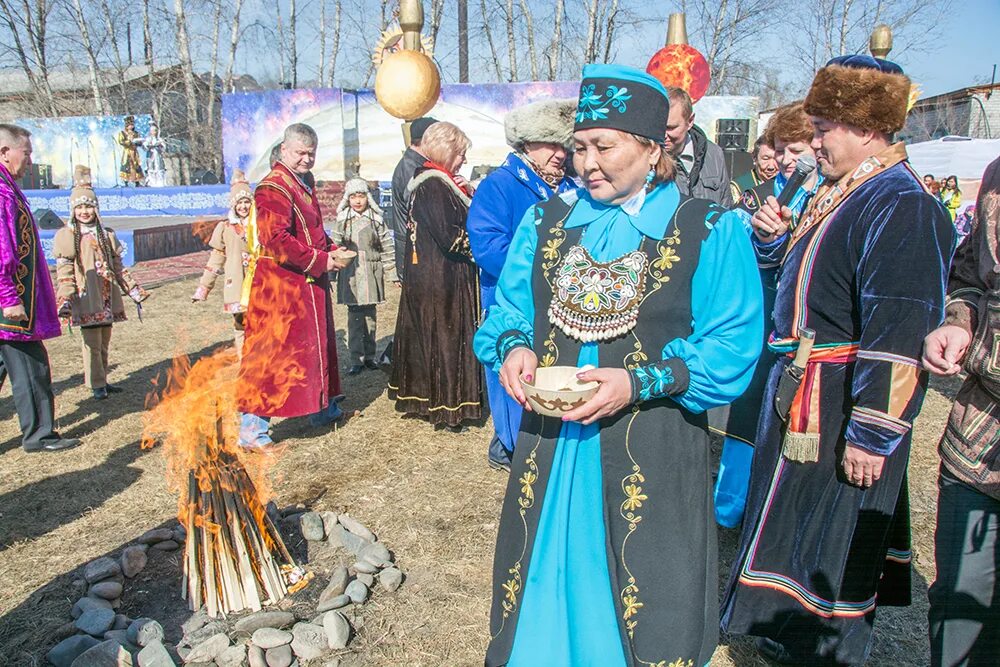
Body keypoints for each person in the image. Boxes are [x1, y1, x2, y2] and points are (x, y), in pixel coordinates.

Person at [475, 64, 763, 666]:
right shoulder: (546, 223)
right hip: (552, 446)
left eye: (604, 147)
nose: (587, 163)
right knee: (545, 570)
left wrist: (640, 380)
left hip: (650, 445)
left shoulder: (708, 230)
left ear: (652, 146)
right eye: (579, 147)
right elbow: (510, 311)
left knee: (643, 582)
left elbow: (731, 345)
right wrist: (515, 347)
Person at [720, 55, 956, 665]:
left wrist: (872, 431)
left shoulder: (901, 203)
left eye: (824, 128)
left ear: (867, 127)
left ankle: (829, 652)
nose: (814, 141)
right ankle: (791, 635)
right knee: (798, 530)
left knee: (832, 535)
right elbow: (813, 286)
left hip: (847, 396)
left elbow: (900, 325)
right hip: (808, 389)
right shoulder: (840, 191)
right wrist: (775, 243)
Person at [714, 102, 824, 528]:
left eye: (795, 148)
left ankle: (778, 510)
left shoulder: (830, 195)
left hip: (807, 328)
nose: (786, 159)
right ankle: (733, 506)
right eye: (779, 150)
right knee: (748, 409)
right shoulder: (757, 196)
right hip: (763, 319)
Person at [467, 98, 577, 471]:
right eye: (550, 144)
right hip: (510, 299)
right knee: (514, 376)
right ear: (527, 144)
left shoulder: (573, 187)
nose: (560, 154)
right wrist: (542, 272)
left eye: (565, 145)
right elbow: (486, 245)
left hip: (562, 303)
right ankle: (511, 445)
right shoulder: (499, 185)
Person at [921, 154, 1000, 667]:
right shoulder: (996, 174)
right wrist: (960, 321)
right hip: (977, 443)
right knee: (959, 611)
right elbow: (969, 274)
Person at [236, 123, 351, 448]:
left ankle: (320, 407)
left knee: (314, 350)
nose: (306, 159)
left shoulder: (303, 182)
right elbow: (276, 241)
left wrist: (330, 249)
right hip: (280, 289)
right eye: (301, 153)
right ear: (284, 150)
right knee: (269, 357)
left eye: (311, 153)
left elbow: (311, 232)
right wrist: (320, 261)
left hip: (306, 286)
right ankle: (251, 430)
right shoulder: (272, 188)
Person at [388, 121, 483, 429]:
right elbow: (452, 237)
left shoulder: (438, 181)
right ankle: (448, 406)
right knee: (446, 338)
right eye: (461, 153)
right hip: (442, 278)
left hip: (434, 275)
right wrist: (486, 246)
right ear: (447, 150)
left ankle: (433, 401)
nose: (464, 160)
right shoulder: (432, 184)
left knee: (436, 337)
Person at [0, 125, 78, 453]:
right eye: (26, 153)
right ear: (5, 152)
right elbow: (2, 248)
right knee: (31, 367)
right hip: (12, 301)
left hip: (10, 297)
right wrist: (8, 296)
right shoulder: (1, 192)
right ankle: (39, 436)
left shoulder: (8, 187)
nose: (30, 160)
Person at [54, 166, 148, 400]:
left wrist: (133, 290)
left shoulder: (106, 234)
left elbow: (118, 267)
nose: (85, 212)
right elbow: (65, 271)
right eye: (80, 207)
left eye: (89, 206)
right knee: (92, 344)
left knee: (104, 341)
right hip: (87, 296)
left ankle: (103, 379)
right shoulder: (68, 236)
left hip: (106, 295)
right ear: (72, 210)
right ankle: (95, 384)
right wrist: (66, 297)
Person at [330, 177, 397, 376]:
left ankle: (370, 356)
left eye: (361, 196)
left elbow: (386, 246)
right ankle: (356, 359)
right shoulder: (343, 220)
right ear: (347, 198)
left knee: (370, 316)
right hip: (350, 273)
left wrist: (392, 272)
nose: (358, 201)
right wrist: (332, 274)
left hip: (370, 271)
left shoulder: (376, 220)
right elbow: (334, 247)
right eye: (353, 197)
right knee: (354, 317)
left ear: (367, 197)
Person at [192, 171, 253, 358]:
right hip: (236, 283)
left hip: (258, 282)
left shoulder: (260, 226)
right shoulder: (225, 228)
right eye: (239, 202)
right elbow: (215, 260)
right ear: (233, 205)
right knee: (241, 324)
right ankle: (245, 364)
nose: (243, 206)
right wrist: (204, 288)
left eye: (247, 202)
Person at [663, 86, 732, 206]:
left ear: (690, 121)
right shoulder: (646, 156)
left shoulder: (714, 154)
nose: (663, 135)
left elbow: (725, 205)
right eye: (659, 127)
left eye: (671, 128)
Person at [390, 116, 438, 283]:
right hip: (416, 254)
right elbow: (424, 215)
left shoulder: (415, 164)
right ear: (427, 141)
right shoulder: (414, 169)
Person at [729, 135, 779, 203]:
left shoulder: (786, 184)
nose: (771, 167)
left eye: (776, 159)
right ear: (754, 158)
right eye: (765, 159)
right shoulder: (738, 187)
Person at [117, 115, 144, 187]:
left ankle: (137, 181)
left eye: (132, 125)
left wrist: (137, 142)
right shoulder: (122, 133)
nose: (131, 126)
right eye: (130, 125)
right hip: (127, 152)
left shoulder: (136, 133)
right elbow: (121, 141)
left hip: (134, 152)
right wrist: (129, 141)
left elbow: (140, 142)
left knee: (136, 166)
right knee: (127, 166)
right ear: (126, 125)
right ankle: (126, 181)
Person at [143, 122, 167, 187]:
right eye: (152, 131)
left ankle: (160, 183)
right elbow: (145, 146)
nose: (154, 132)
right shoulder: (148, 139)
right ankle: (152, 183)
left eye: (155, 131)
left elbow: (164, 148)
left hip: (158, 157)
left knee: (159, 169)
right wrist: (150, 146)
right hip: (151, 157)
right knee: (151, 170)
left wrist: (159, 146)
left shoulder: (160, 139)